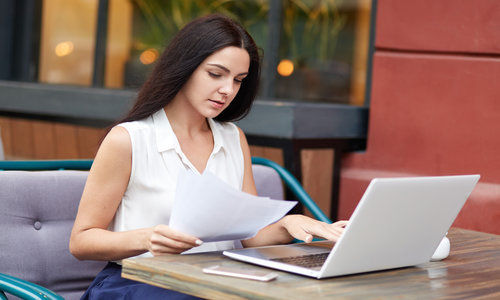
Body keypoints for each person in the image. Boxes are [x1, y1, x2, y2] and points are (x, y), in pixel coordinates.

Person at [70, 14, 347, 299]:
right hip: (143, 282)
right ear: (184, 67)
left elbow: (250, 234)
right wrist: (146, 238)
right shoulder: (129, 139)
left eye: (238, 80)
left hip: (214, 281)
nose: (227, 90)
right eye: (216, 74)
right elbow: (81, 241)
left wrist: (290, 224)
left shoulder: (233, 138)